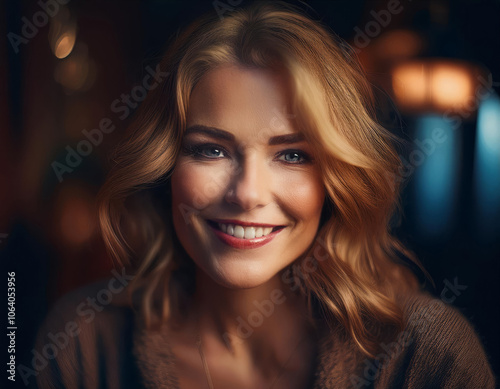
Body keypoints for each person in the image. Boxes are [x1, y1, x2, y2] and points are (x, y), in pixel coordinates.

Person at [34, 1, 496, 388]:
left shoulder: (428, 357)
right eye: (211, 150)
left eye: (293, 155)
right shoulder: (82, 343)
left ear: (335, 179)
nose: (247, 193)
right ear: (165, 166)